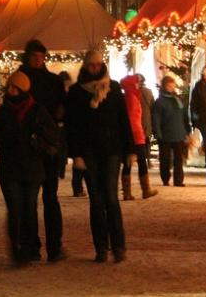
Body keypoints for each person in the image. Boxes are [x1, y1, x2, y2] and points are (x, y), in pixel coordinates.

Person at [0, 70, 59, 266]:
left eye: (16, 88)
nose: (12, 91)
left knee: (29, 209)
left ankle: (29, 247)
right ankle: (16, 247)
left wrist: (40, 132)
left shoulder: (37, 111)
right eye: (10, 88)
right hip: (10, 169)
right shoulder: (3, 113)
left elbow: (54, 136)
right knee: (15, 209)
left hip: (33, 168)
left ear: (24, 90)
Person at [66, 49, 133, 263]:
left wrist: (130, 148)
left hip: (112, 149)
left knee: (111, 198)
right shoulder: (77, 92)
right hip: (88, 151)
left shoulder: (113, 88)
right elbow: (72, 126)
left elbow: (123, 118)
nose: (95, 68)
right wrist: (76, 154)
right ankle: (101, 247)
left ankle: (119, 246)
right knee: (96, 199)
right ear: (85, 67)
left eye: (97, 64)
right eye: (91, 65)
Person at [18, 39, 67, 262]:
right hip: (28, 148)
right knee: (29, 199)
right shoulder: (20, 80)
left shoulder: (53, 81)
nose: (38, 60)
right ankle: (32, 245)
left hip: (48, 147)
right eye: (34, 57)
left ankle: (54, 246)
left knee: (50, 197)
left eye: (41, 57)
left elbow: (63, 110)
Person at [120, 74, 158, 199]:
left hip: (134, 134)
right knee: (138, 161)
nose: (139, 84)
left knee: (132, 162)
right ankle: (143, 190)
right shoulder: (131, 97)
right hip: (135, 134)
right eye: (137, 82)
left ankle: (129, 192)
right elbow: (131, 119)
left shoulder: (130, 96)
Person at [152, 72, 191, 187]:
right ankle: (165, 178)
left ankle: (178, 180)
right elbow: (156, 119)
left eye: (173, 86)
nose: (172, 88)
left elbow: (184, 116)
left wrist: (187, 131)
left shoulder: (178, 100)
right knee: (165, 159)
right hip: (165, 135)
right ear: (164, 86)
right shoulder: (160, 102)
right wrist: (158, 133)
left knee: (178, 159)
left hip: (179, 133)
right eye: (169, 86)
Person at [60, 71, 86, 197]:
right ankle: (77, 187)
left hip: (74, 131)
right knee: (77, 159)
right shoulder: (69, 94)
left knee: (79, 160)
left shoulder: (74, 94)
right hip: (70, 131)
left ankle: (78, 187)